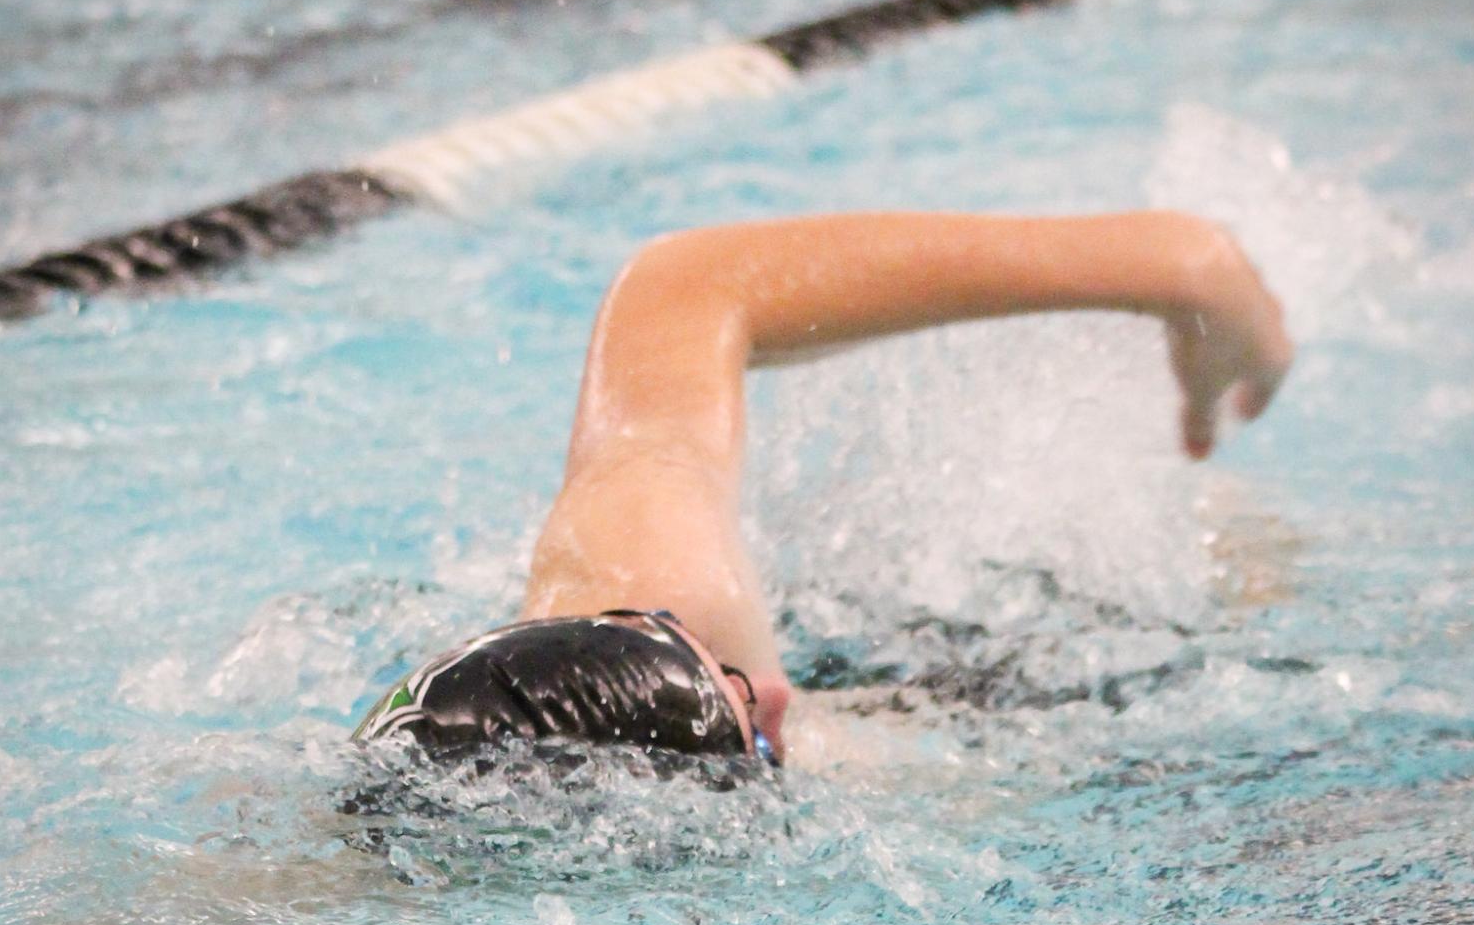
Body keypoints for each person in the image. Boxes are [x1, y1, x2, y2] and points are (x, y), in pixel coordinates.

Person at [353, 208, 1292, 770]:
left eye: (687, 643)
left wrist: (1181, 267)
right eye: (752, 739)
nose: (776, 696)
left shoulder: (635, 564)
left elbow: (686, 284)